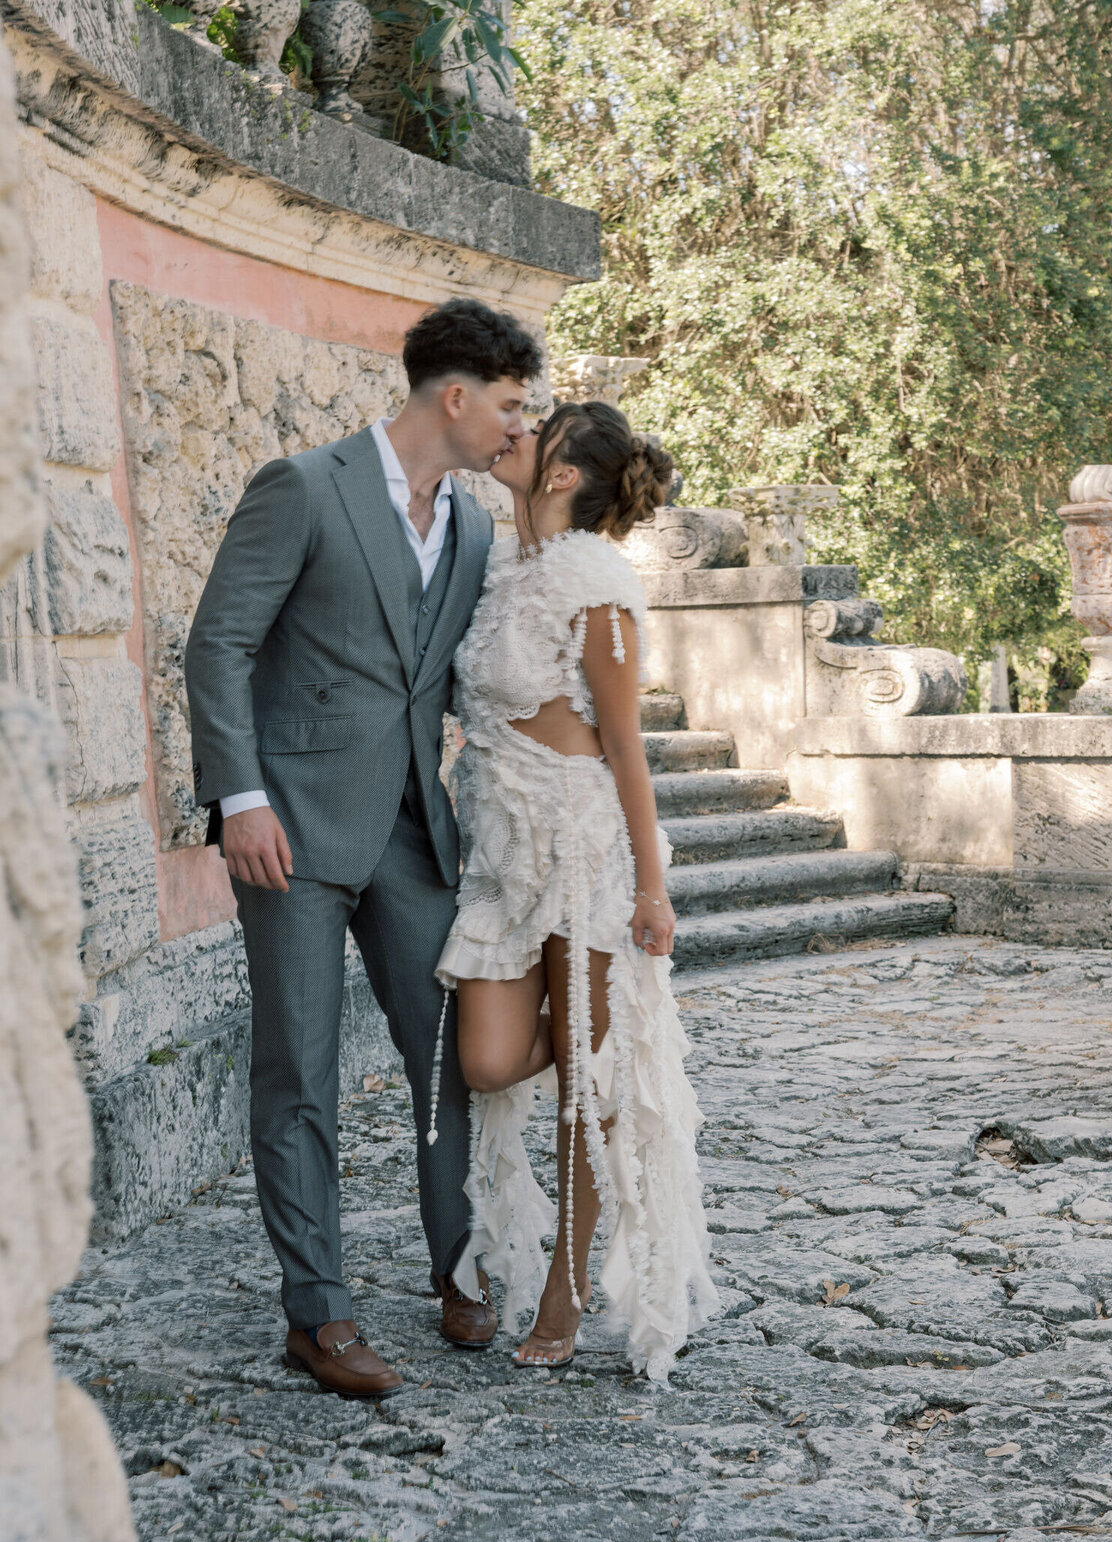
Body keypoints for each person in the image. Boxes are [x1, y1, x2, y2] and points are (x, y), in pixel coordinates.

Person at [184, 298, 540, 1399]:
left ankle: (460, 1266)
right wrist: (241, 798)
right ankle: (319, 1312)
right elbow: (220, 644)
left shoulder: (476, 526)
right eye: (511, 406)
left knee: (452, 1051)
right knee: (299, 1066)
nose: (516, 429)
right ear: (456, 395)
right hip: (286, 827)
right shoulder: (304, 486)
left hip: (412, 831)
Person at [433, 401, 718, 1381]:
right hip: (503, 857)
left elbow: (628, 747)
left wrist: (652, 887)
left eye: (537, 427)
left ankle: (566, 1286)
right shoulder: (504, 568)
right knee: (490, 1058)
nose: (515, 430)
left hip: (583, 845)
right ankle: (602, 1029)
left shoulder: (600, 582)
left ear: (560, 474)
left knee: (581, 1099)